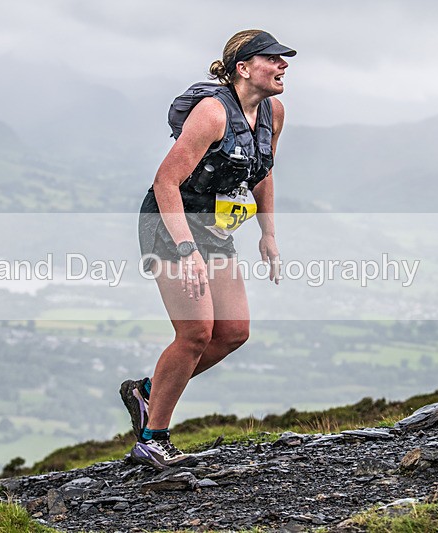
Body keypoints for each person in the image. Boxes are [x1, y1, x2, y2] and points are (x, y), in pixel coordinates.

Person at [121, 30, 294, 469]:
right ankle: (153, 437)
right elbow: (165, 182)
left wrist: (268, 233)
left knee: (233, 331)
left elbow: (263, 173)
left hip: (214, 230)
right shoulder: (213, 113)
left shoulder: (274, 112)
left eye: (284, 60)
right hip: (169, 223)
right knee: (196, 333)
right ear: (243, 67)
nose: (283, 66)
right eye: (272, 59)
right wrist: (185, 248)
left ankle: (146, 390)